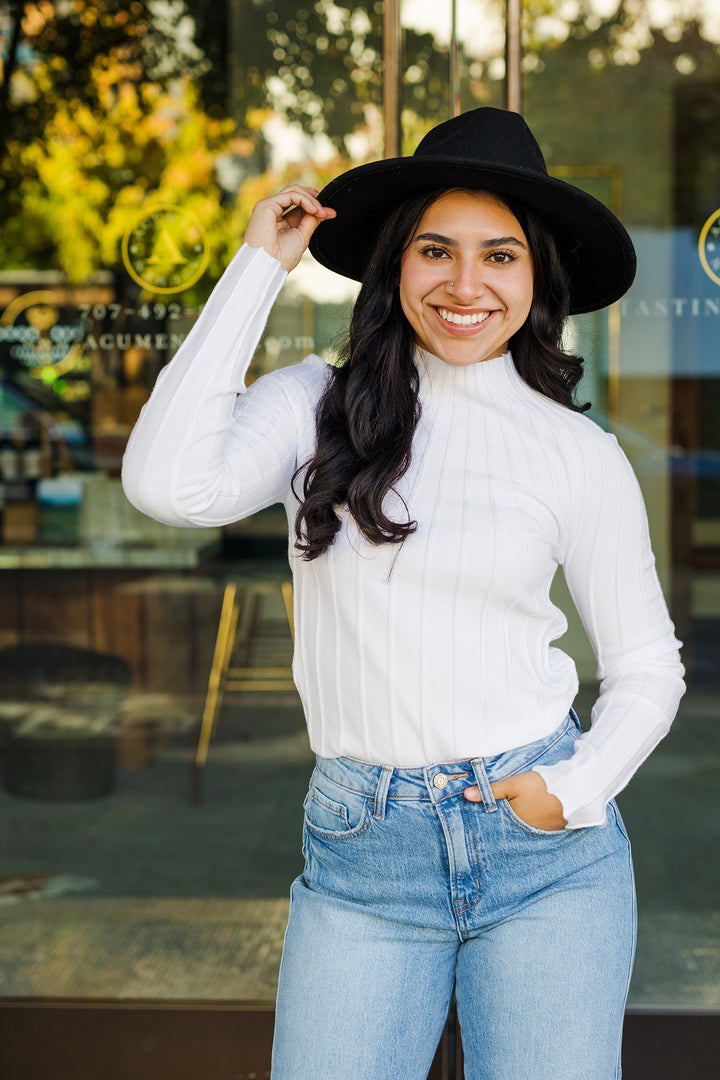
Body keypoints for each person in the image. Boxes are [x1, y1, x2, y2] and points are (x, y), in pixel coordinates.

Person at [121, 108, 685, 1079]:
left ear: (538, 277)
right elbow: (166, 484)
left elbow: (646, 668)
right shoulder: (313, 405)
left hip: (544, 856)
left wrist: (575, 787)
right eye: (437, 250)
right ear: (395, 263)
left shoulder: (576, 453)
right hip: (363, 856)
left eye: (499, 256)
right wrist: (259, 267)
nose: (466, 285)